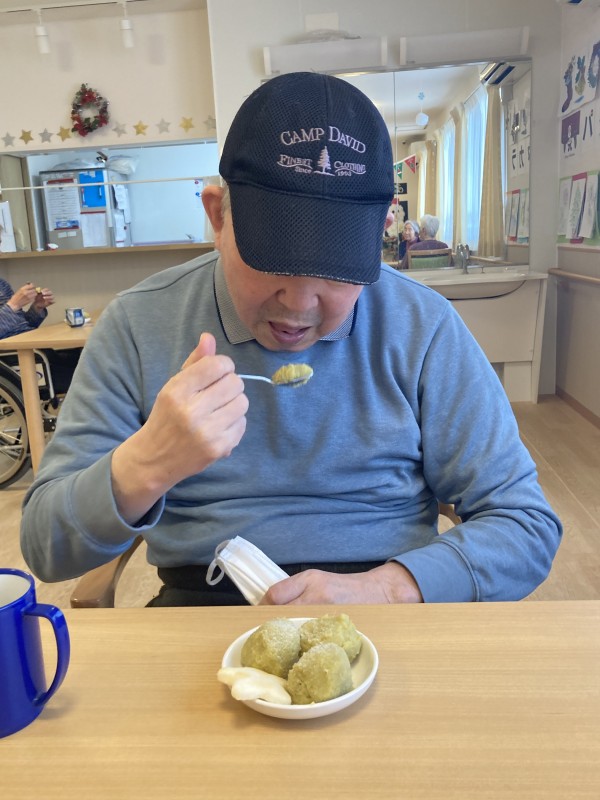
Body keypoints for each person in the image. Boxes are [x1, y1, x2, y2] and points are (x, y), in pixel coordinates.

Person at [20, 72, 561, 607]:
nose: (300, 304)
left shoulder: (423, 326)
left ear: (382, 233)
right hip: (202, 606)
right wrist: (148, 463)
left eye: (337, 270)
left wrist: (388, 589)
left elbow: (525, 525)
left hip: (386, 607)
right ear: (217, 216)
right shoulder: (139, 324)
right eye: (272, 261)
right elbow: (46, 548)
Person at [0, 278, 80, 394]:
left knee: (87, 358)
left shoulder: (2, 284)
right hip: (14, 362)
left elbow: (18, 326)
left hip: (37, 353)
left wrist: (37, 308)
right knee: (91, 377)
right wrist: (13, 305)